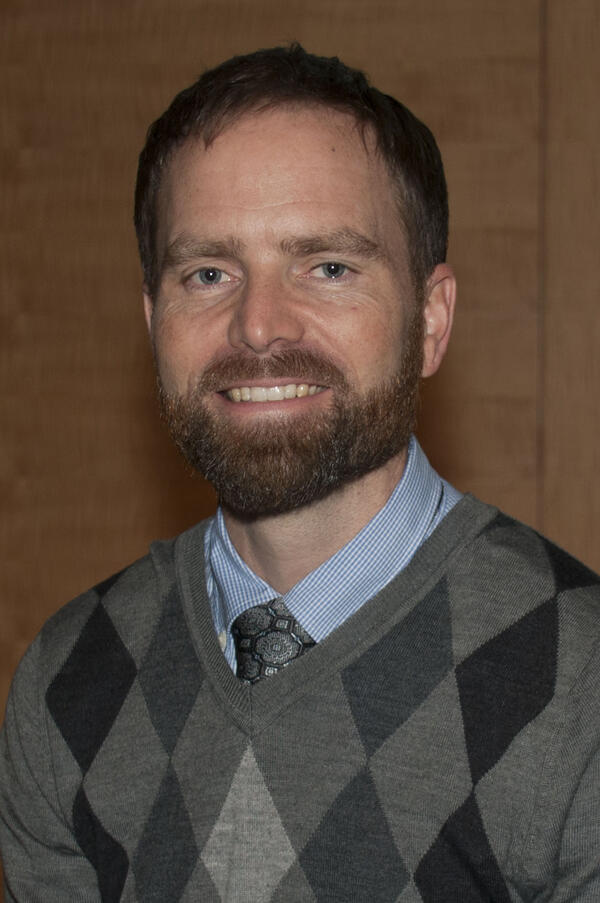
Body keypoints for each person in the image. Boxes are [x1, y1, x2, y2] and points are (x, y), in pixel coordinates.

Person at [1, 43, 600, 903]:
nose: (257, 325)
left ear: (430, 321)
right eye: (208, 272)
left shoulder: (577, 683)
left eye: (327, 267)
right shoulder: (67, 684)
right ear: (153, 319)